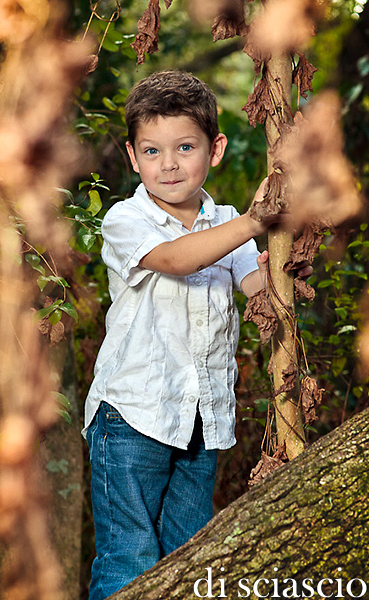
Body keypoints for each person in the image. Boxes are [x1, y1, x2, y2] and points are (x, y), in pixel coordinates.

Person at [83, 70, 309, 600]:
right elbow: (178, 260)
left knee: (189, 559)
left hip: (202, 423)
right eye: (153, 150)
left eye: (185, 147)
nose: (169, 164)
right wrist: (254, 223)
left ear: (215, 149)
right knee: (129, 561)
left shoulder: (224, 220)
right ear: (133, 157)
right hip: (132, 415)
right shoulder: (126, 220)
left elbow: (257, 286)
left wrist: (286, 262)